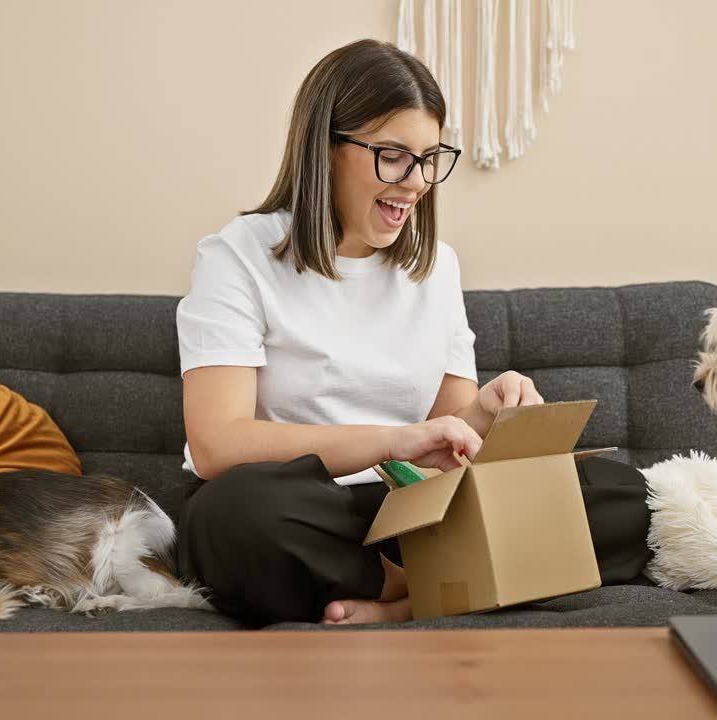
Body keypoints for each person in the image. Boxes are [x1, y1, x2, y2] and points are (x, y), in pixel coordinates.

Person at [175, 39, 650, 627]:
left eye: (429, 158)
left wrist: (488, 414)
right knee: (237, 516)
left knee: (622, 494)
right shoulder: (238, 255)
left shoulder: (436, 265)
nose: (418, 181)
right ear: (325, 147)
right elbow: (218, 445)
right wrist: (389, 440)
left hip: (406, 509)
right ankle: (449, 586)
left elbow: (447, 446)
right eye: (394, 155)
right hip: (303, 510)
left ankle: (403, 601)